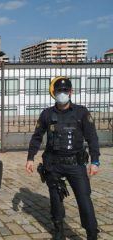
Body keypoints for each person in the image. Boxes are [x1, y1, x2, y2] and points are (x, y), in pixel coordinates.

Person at [26, 76, 100, 240]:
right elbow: (37, 136)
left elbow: (92, 138)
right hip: (54, 164)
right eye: (59, 91)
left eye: (65, 90)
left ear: (71, 92)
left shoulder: (81, 112)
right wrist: (30, 157)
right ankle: (58, 232)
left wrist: (95, 161)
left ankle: (92, 234)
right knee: (56, 199)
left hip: (76, 163)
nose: (62, 94)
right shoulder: (47, 114)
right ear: (54, 93)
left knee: (84, 198)